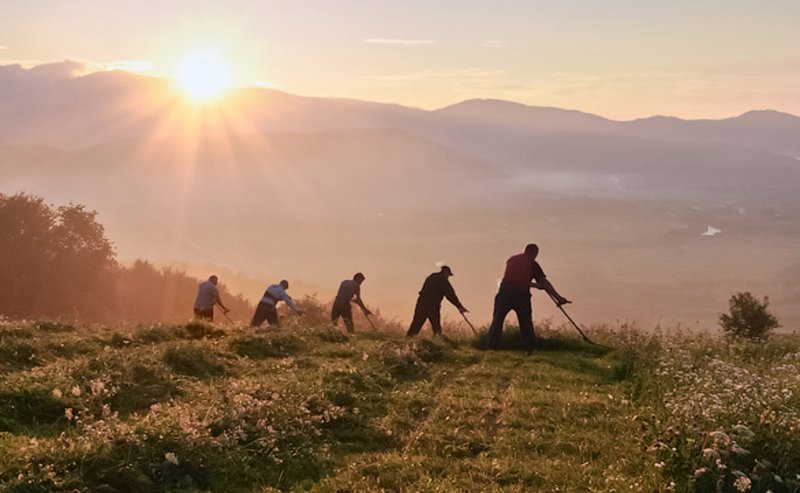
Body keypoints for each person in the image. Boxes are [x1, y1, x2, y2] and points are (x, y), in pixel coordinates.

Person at [487, 244, 570, 351]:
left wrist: (535, 285)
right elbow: (544, 282)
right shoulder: (532, 263)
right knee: (525, 322)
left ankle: (491, 347)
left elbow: (514, 279)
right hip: (520, 296)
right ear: (534, 253)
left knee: (497, 320)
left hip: (504, 293)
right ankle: (529, 349)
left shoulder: (512, 260)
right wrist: (559, 298)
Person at [406, 265, 468, 337]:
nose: (448, 277)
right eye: (448, 275)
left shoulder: (431, 277)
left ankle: (408, 340)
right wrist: (459, 306)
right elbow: (451, 295)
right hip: (433, 306)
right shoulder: (444, 281)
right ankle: (437, 344)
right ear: (445, 273)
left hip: (421, 303)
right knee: (436, 328)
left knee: (416, 324)